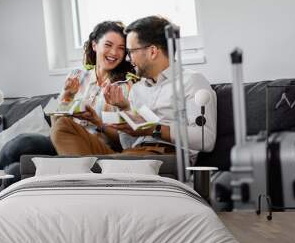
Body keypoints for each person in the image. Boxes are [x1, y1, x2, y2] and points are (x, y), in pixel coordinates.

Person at [51, 16, 217, 162]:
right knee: (63, 126)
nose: (128, 59)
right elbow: (126, 145)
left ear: (152, 52)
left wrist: (154, 128)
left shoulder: (191, 81)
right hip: (131, 154)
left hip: (165, 155)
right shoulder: (137, 90)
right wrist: (124, 111)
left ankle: (91, 178)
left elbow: (205, 140)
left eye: (130, 52)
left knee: (113, 164)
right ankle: (93, 178)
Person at [0, 21, 135, 172]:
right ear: (94, 45)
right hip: (60, 140)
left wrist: (97, 122)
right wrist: (67, 96)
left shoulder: (125, 87)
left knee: (15, 170)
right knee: (20, 144)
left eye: (121, 48)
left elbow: (123, 143)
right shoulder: (77, 76)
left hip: (88, 149)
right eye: (108, 45)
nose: (114, 52)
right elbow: (55, 125)